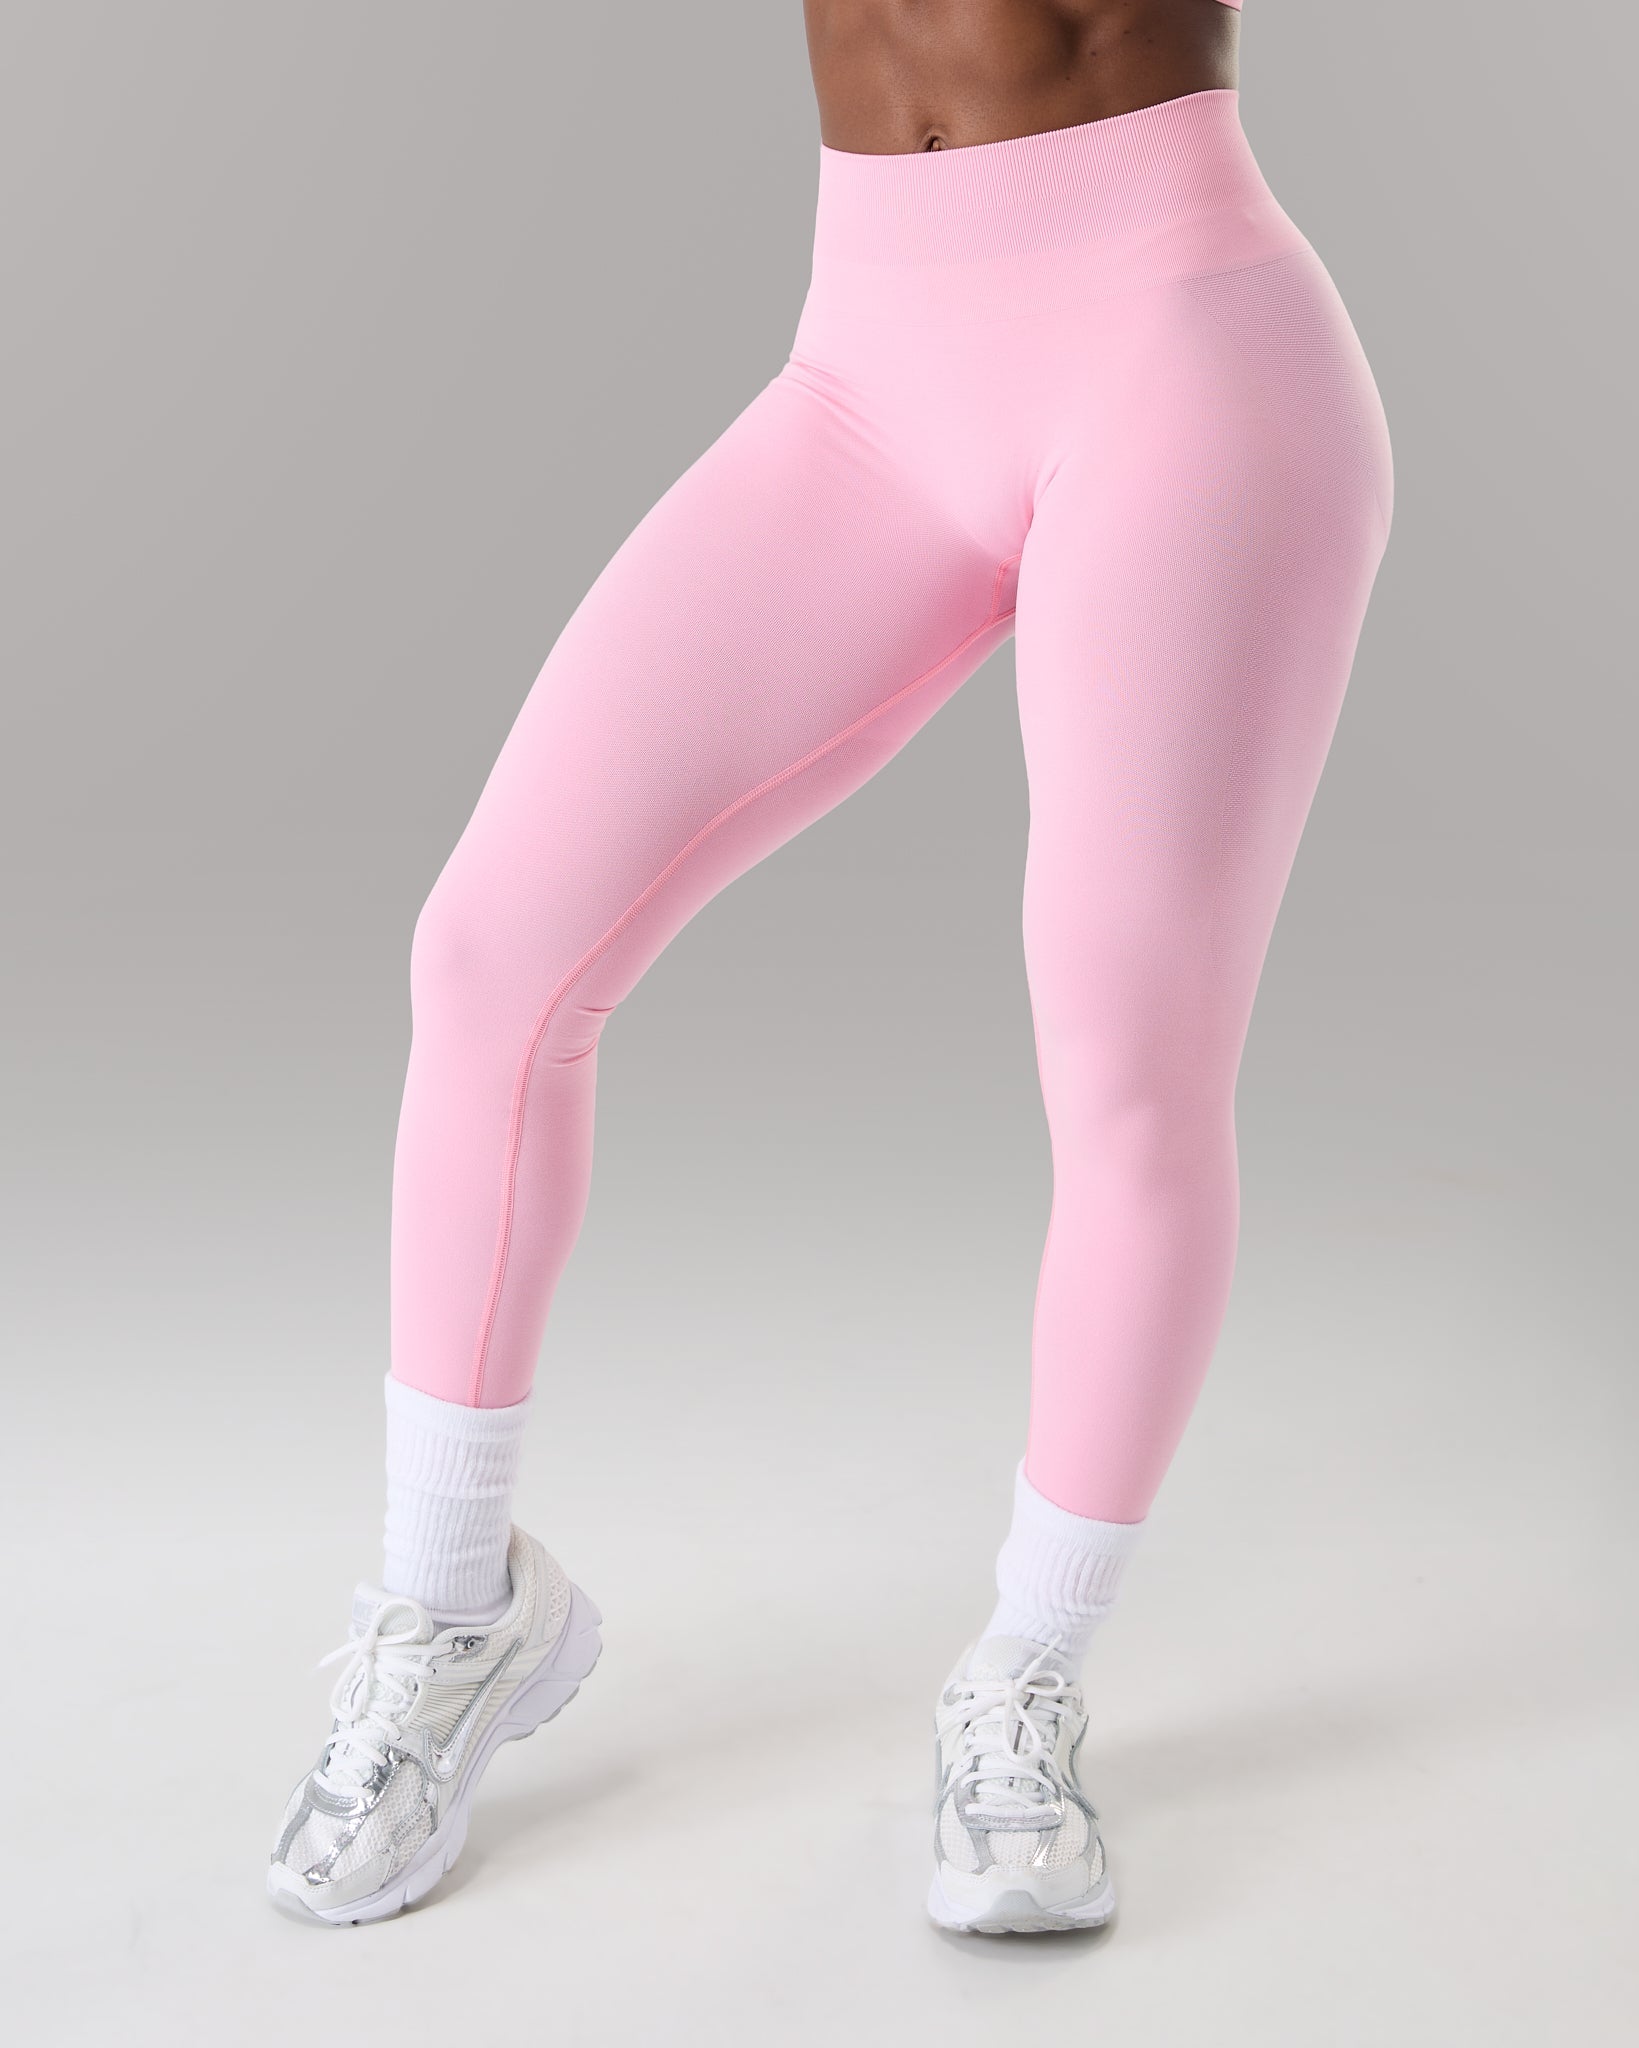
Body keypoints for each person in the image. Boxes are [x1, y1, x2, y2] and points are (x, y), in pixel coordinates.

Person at [268, 0, 1391, 1934]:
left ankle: (1028, 1673)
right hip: (872, 366)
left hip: (1183, 350)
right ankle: (454, 1607)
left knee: (1129, 1068)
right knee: (490, 957)